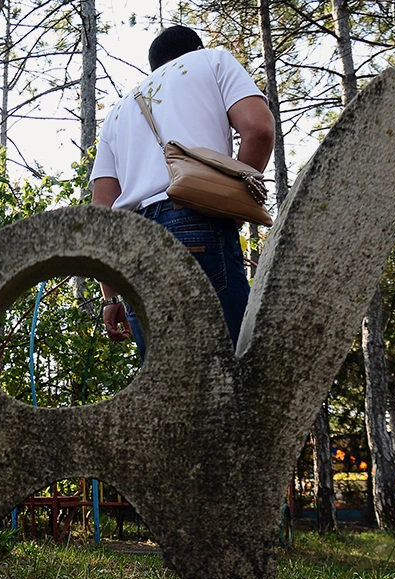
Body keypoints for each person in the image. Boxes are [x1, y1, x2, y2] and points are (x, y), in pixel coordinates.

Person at [89, 25, 275, 355]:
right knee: (232, 376)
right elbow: (259, 130)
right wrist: (232, 206)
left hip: (132, 249)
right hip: (196, 224)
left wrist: (111, 295)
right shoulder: (212, 61)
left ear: (154, 66)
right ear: (196, 47)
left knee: (169, 392)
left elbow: (101, 210)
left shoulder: (118, 112)